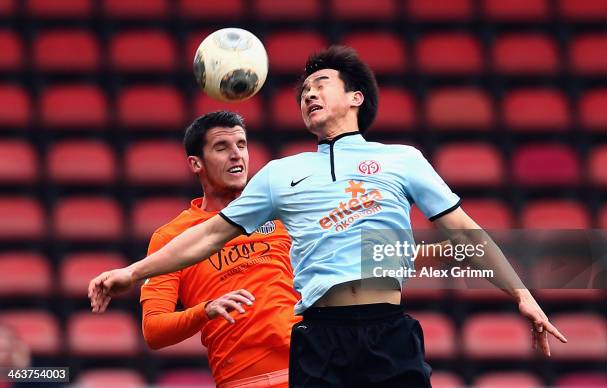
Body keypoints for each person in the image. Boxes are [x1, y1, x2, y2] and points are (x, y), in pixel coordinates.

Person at [90, 46, 567, 387]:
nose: (308, 95)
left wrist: (522, 295)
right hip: (318, 339)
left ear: (356, 97)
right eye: (302, 92)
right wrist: (132, 272)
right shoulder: (280, 175)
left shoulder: (403, 160)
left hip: (388, 330)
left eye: (320, 84)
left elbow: (465, 232)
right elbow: (207, 236)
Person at [141, 111, 299, 388]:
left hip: (310, 369)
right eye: (222, 147)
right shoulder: (171, 237)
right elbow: (154, 331)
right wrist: (206, 310)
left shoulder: (281, 215)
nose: (236, 154)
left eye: (241, 144)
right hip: (242, 379)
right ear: (196, 164)